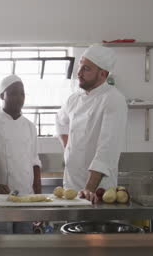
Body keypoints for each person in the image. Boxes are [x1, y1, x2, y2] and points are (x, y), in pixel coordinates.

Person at [56, 45, 128, 203]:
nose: (79, 73)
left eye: (86, 69)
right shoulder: (74, 98)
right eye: (80, 66)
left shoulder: (113, 99)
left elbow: (107, 150)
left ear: (102, 73)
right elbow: (61, 122)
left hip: (98, 190)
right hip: (71, 184)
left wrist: (89, 188)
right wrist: (69, 150)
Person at [0, 74, 42, 234]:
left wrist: (39, 198)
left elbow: (35, 162)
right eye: (13, 93)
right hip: (0, 197)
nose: (19, 98)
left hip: (25, 196)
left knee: (24, 245)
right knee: (1, 244)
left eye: (22, 94)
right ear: (2, 96)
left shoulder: (30, 126)